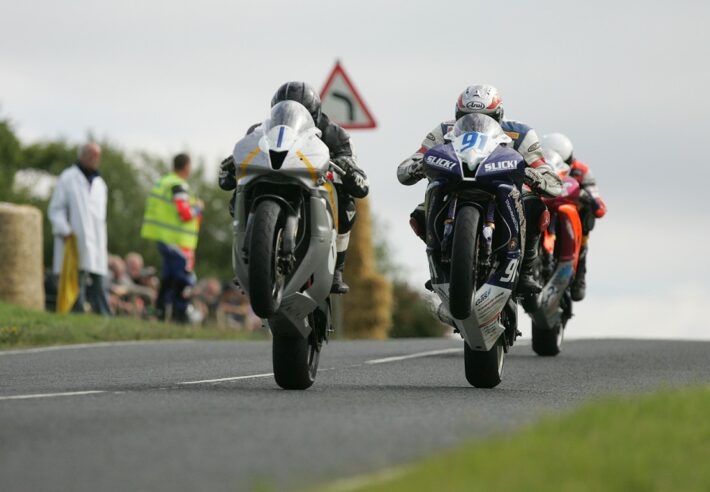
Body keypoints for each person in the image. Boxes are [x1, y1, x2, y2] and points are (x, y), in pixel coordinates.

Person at [397, 84, 562, 294]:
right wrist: (416, 166)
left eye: (485, 117)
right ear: (457, 115)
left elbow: (548, 175)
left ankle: (525, 270)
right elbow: (410, 163)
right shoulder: (443, 131)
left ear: (498, 115)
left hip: (502, 191)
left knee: (535, 206)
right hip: (455, 184)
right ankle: (440, 265)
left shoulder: (521, 134)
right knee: (420, 213)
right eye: (467, 117)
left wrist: (537, 176)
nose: (475, 124)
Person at [218, 81, 369, 294]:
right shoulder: (259, 131)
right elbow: (239, 162)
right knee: (239, 195)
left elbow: (359, 179)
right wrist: (231, 164)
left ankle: (337, 269)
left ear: (314, 113)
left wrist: (349, 168)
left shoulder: (336, 134)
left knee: (348, 206)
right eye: (282, 113)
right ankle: (250, 257)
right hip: (273, 176)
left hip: (314, 184)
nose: (288, 119)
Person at [541, 133, 606, 301]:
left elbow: (597, 200)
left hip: (571, 211)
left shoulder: (581, 171)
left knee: (586, 214)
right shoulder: (538, 165)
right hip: (545, 204)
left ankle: (580, 273)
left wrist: (592, 200)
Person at [48, 142, 111, 315]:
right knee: (76, 281)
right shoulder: (68, 178)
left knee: (99, 282)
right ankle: (78, 314)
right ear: (81, 155)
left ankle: (105, 317)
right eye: (91, 155)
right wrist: (65, 230)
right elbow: (55, 209)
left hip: (96, 242)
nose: (94, 159)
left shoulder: (100, 184)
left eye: (97, 155)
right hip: (74, 238)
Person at [141, 153, 203, 323]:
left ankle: (160, 313)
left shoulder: (164, 181)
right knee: (183, 278)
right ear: (186, 166)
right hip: (177, 241)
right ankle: (180, 315)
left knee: (168, 279)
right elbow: (184, 214)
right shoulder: (178, 185)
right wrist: (197, 208)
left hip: (165, 239)